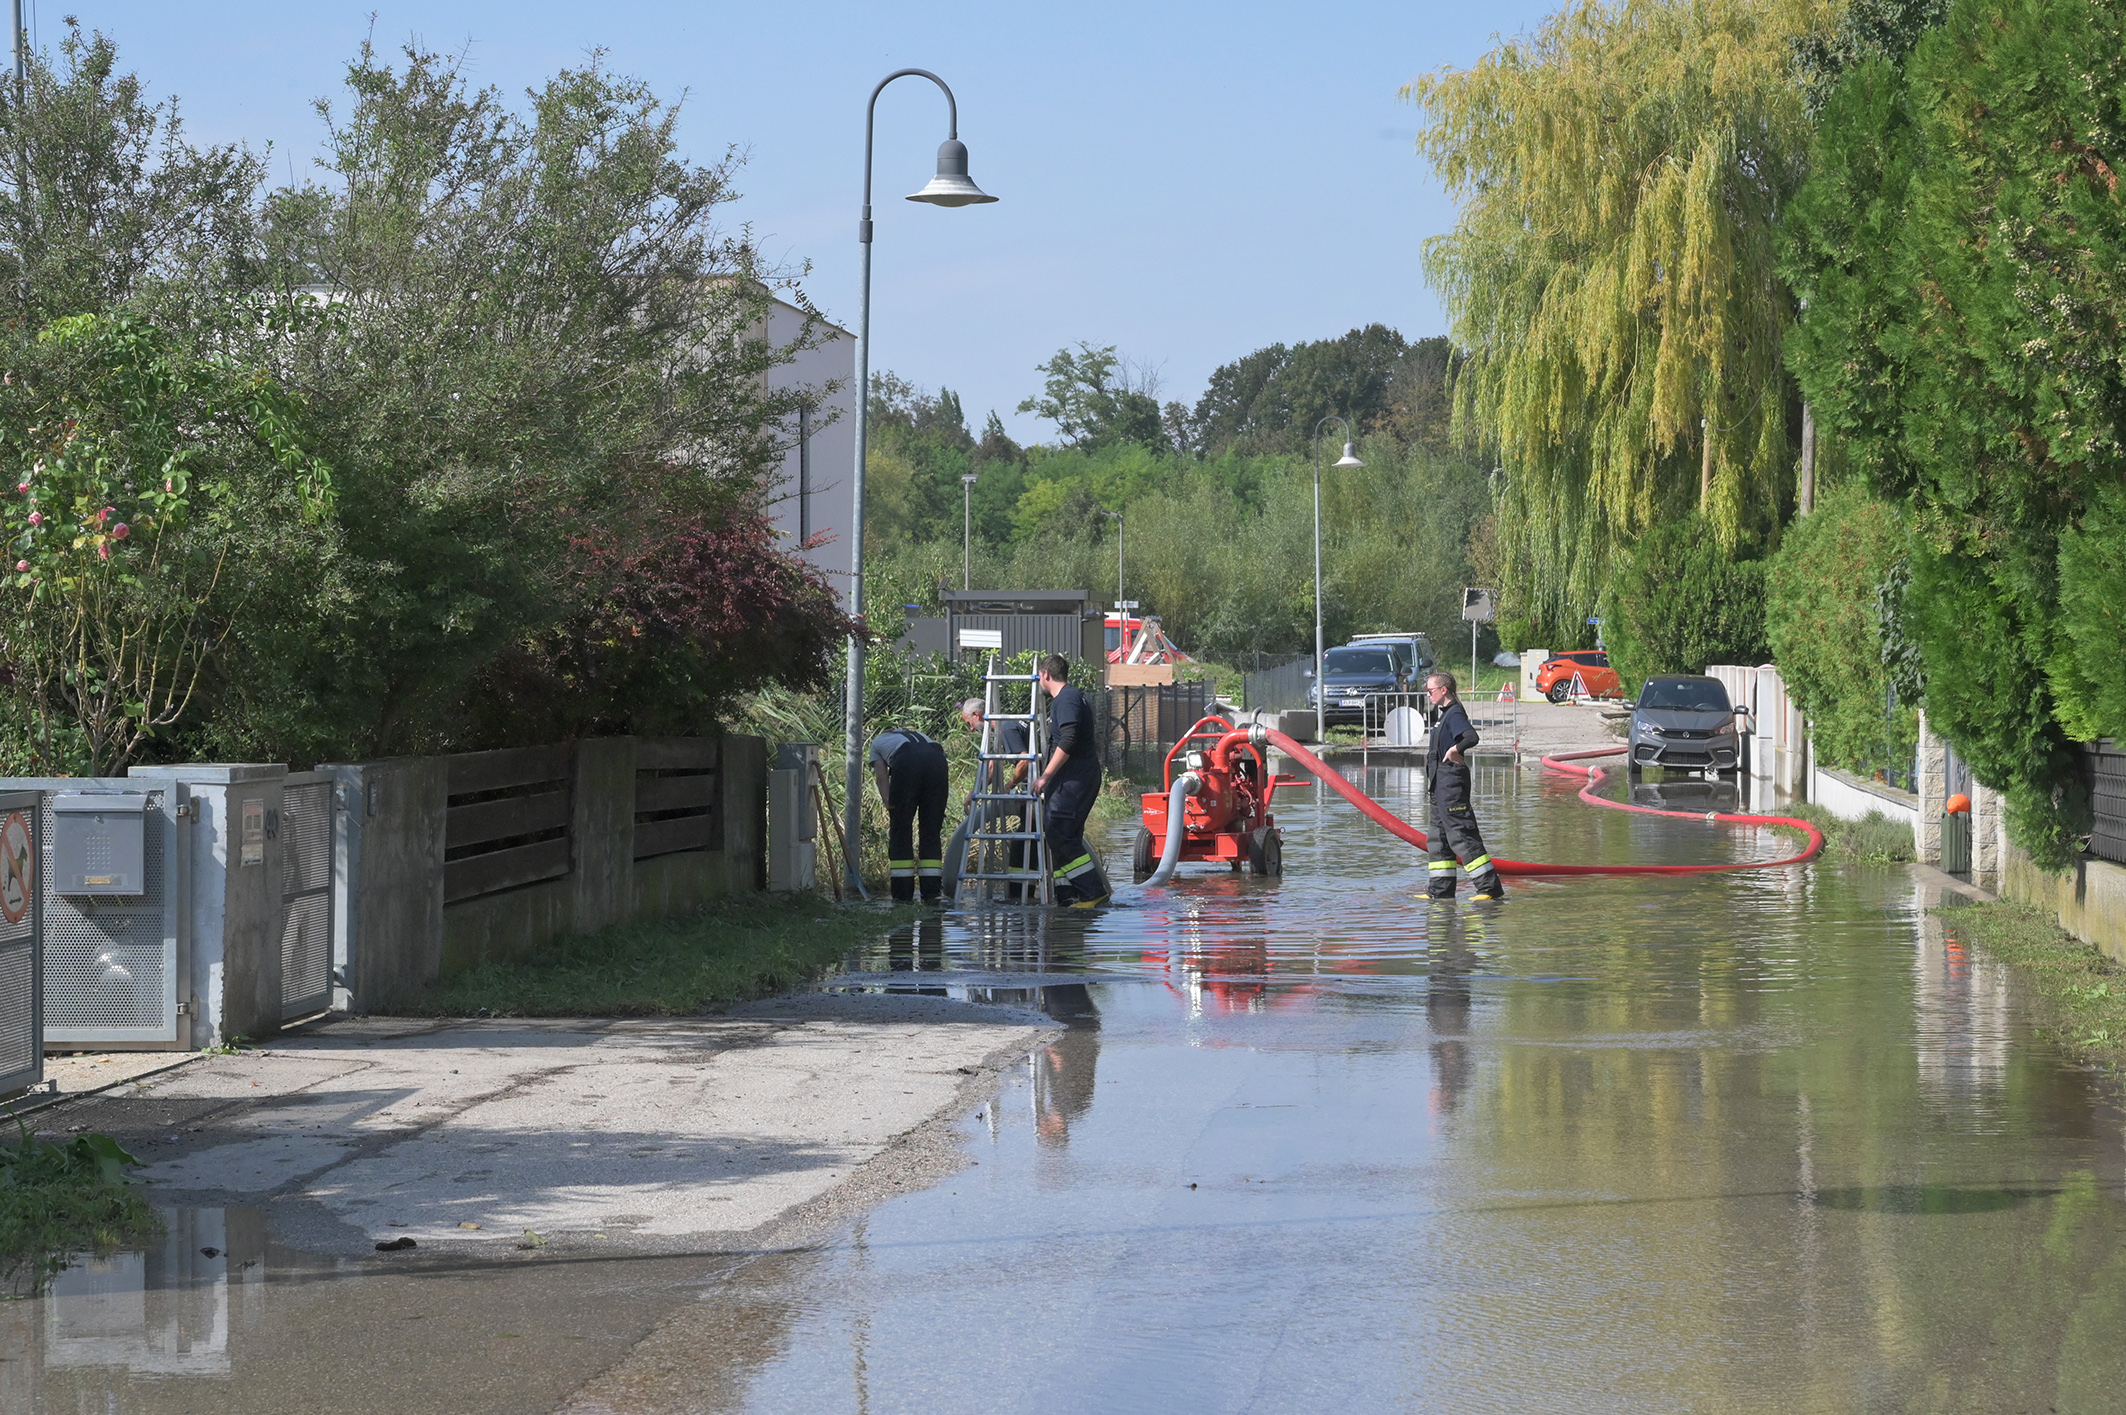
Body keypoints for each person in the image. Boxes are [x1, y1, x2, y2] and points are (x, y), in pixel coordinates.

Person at [1033, 655, 1112, 907]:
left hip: (1074, 778)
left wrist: (1045, 776)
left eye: (1039, 676)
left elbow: (1068, 739)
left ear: (1046, 674)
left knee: (1058, 831)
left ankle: (1092, 892)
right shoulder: (1069, 698)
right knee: (1065, 835)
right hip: (1074, 777)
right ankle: (1067, 896)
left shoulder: (1066, 699)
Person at [1423, 671, 1504, 900]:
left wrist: (1455, 749)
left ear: (1444, 690)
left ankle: (1489, 889)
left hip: (1451, 784)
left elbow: (1471, 737)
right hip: (1439, 784)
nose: (1428, 695)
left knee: (1461, 835)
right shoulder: (1444, 715)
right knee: (1438, 838)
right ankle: (1440, 891)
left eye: (1430, 690)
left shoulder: (1455, 713)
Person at [960, 696, 1032, 897]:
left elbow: (1025, 761)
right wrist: (973, 793)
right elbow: (992, 766)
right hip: (1035, 789)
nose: (971, 729)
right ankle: (1023, 895)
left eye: (969, 723)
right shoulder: (1001, 726)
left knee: (1022, 847)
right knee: (1023, 846)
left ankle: (1019, 897)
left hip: (1040, 791)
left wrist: (1008, 786)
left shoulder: (1006, 728)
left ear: (977, 715)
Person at [869, 725, 950, 902]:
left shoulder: (877, 742)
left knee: (901, 830)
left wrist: (889, 803)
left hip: (907, 762)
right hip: (938, 763)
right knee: (931, 830)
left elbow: (881, 777)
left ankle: (902, 894)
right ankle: (931, 893)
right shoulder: (920, 735)